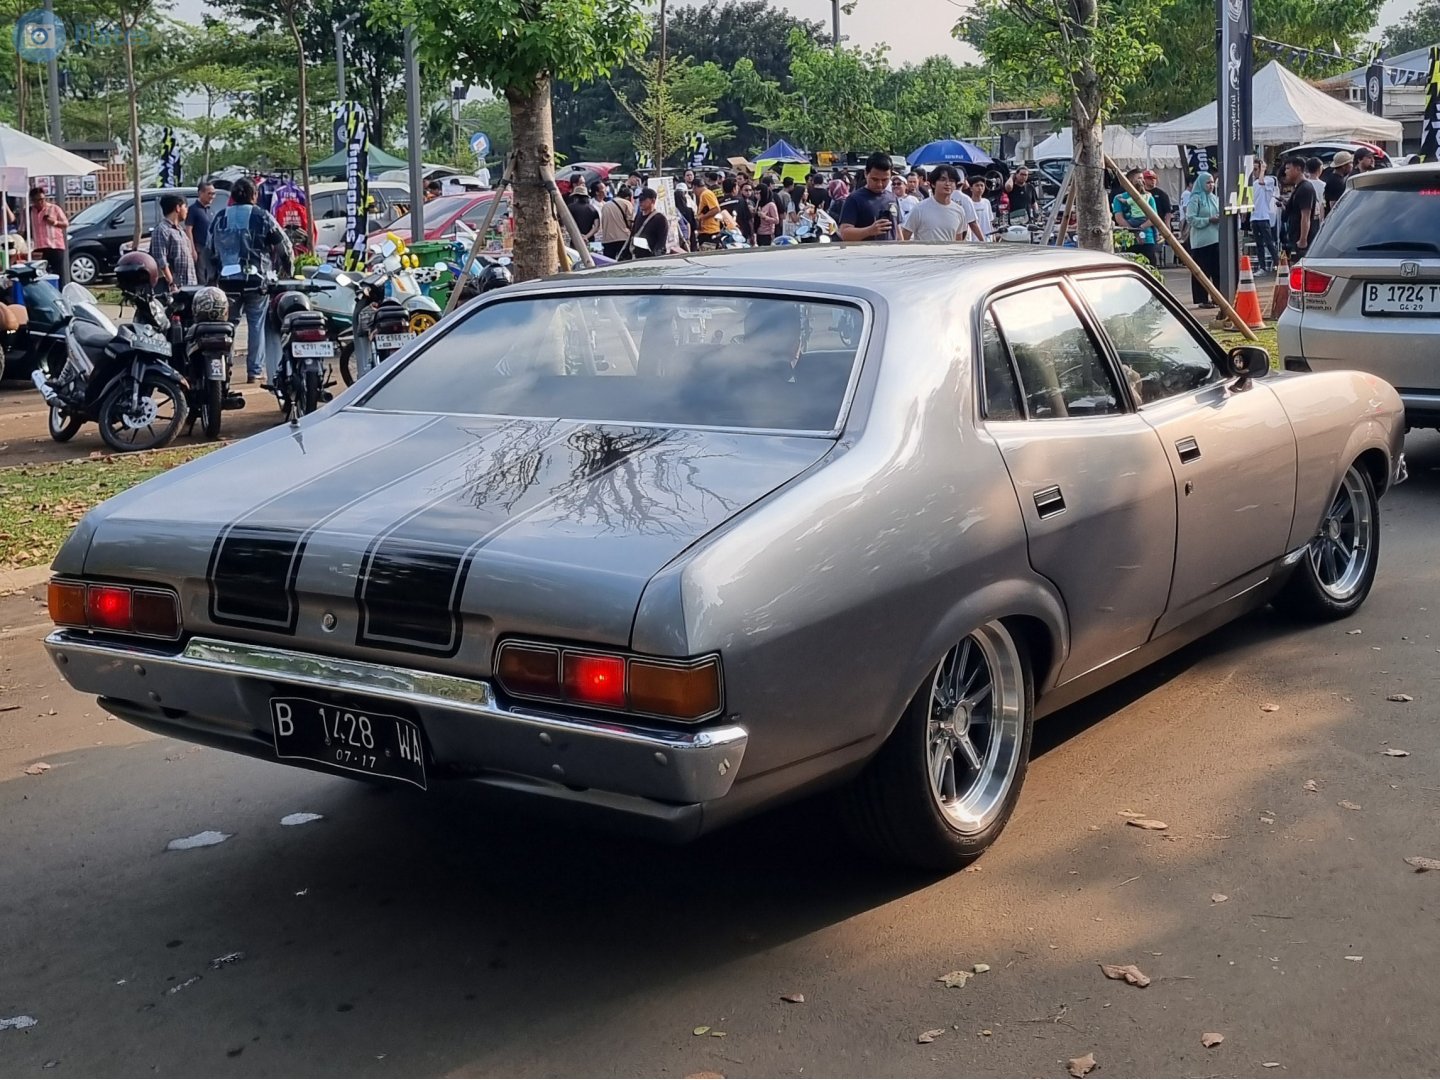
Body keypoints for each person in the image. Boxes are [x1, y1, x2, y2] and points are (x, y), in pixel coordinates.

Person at [207, 176, 292, 384]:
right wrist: (287, 272)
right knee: (256, 325)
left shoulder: (220, 217)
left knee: (228, 326)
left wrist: (213, 278)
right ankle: (254, 372)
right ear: (254, 195)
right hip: (256, 281)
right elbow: (284, 247)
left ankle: (224, 370)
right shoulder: (262, 216)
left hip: (227, 282)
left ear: (233, 196)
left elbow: (209, 250)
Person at [903, 164, 981, 242]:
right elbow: (904, 238)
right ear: (933, 184)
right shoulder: (919, 209)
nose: (947, 184)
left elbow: (958, 242)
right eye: (943, 179)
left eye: (951, 181)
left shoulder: (959, 211)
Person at [838, 151, 900, 242]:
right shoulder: (855, 199)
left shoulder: (892, 198)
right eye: (875, 179)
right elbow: (844, 233)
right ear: (866, 174)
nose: (880, 184)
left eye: (884, 180)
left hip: (891, 253)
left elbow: (897, 229)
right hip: (866, 254)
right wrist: (869, 231)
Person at [1185, 171, 1222, 308]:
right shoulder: (1195, 199)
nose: (1211, 185)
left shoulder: (1214, 198)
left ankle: (1218, 298)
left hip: (1216, 239)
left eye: (1212, 182)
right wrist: (1208, 220)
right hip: (1201, 242)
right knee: (1202, 271)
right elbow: (1191, 218)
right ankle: (1202, 299)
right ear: (1201, 183)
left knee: (1217, 271)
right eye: (1208, 182)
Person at [1112, 167, 1160, 268]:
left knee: (1150, 267)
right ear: (1130, 181)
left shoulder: (1148, 196)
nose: (1142, 180)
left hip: (1147, 238)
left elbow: (1153, 217)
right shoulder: (1119, 198)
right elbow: (1119, 218)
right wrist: (1133, 231)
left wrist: (1141, 227)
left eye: (1142, 178)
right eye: (1139, 178)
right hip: (1129, 240)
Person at [149, 193, 197, 289]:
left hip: (189, 284)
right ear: (178, 208)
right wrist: (171, 283)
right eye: (185, 207)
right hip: (174, 288)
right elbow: (161, 260)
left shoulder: (180, 231)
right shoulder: (162, 230)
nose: (187, 211)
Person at [27, 186, 69, 285]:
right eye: (37, 200)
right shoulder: (30, 211)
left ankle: (60, 293)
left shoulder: (54, 208)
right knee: (39, 274)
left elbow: (65, 224)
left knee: (58, 273)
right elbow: (23, 228)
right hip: (39, 248)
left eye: (42, 199)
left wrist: (54, 222)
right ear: (32, 201)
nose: (40, 203)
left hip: (55, 246)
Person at [1279, 155, 1317, 259]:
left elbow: (1306, 216)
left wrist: (1303, 239)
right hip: (1294, 236)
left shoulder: (1305, 188)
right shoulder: (1298, 187)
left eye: (1288, 168)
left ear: (1298, 169)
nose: (1286, 172)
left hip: (1302, 240)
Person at [1248, 158, 1279, 274]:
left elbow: (1262, 182)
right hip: (1254, 216)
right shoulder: (1253, 183)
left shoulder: (1269, 180)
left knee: (1269, 242)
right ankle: (1262, 267)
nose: (1255, 172)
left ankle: (1277, 263)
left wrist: (1262, 170)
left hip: (1264, 216)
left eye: (1256, 169)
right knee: (1259, 244)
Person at [622, 188, 668, 259]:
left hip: (649, 259)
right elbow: (632, 235)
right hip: (636, 258)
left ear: (653, 200)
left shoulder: (660, 219)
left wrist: (655, 257)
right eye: (639, 199)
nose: (640, 202)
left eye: (643, 200)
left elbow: (661, 243)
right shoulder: (638, 216)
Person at [186, 181, 218, 285]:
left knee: (212, 275)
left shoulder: (211, 209)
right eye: (210, 194)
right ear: (201, 193)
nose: (212, 196)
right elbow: (188, 230)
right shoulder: (193, 210)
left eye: (214, 193)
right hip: (199, 248)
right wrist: (192, 249)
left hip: (211, 249)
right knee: (201, 276)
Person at [597, 184, 634, 259]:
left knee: (609, 264)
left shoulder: (605, 205)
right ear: (628, 197)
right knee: (624, 263)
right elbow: (631, 222)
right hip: (623, 239)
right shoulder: (627, 203)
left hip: (607, 240)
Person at [695, 171, 723, 248]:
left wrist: (701, 218)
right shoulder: (705, 194)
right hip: (706, 231)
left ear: (695, 187)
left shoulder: (706, 194)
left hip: (710, 231)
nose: (694, 192)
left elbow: (716, 209)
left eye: (694, 190)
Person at [1321, 150, 1353, 214]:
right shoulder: (1336, 182)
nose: (1352, 165)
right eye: (1350, 163)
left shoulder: (1334, 177)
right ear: (1344, 166)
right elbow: (1333, 205)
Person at [969, 175, 995, 240]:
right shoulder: (968, 203)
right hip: (973, 239)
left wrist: (993, 237)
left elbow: (990, 221)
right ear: (971, 188)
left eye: (982, 185)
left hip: (988, 238)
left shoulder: (986, 202)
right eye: (977, 185)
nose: (980, 188)